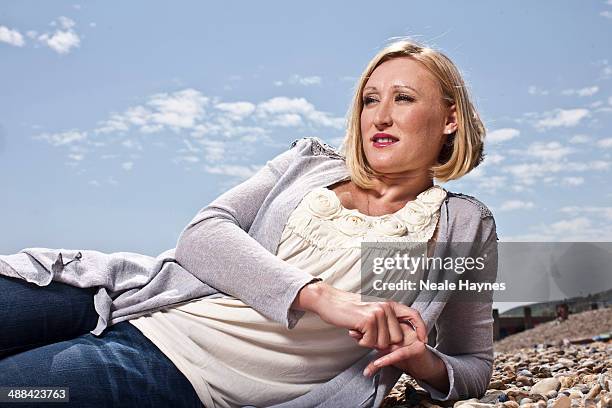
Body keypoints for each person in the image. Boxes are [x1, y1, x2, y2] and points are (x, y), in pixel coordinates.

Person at [0, 38, 498, 408]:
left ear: (449, 118)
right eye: (370, 99)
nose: (380, 117)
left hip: (181, 370)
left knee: (18, 390)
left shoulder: (463, 226)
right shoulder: (308, 165)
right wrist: (323, 297)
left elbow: (474, 366)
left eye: (403, 99)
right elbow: (202, 236)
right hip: (137, 298)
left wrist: (419, 360)